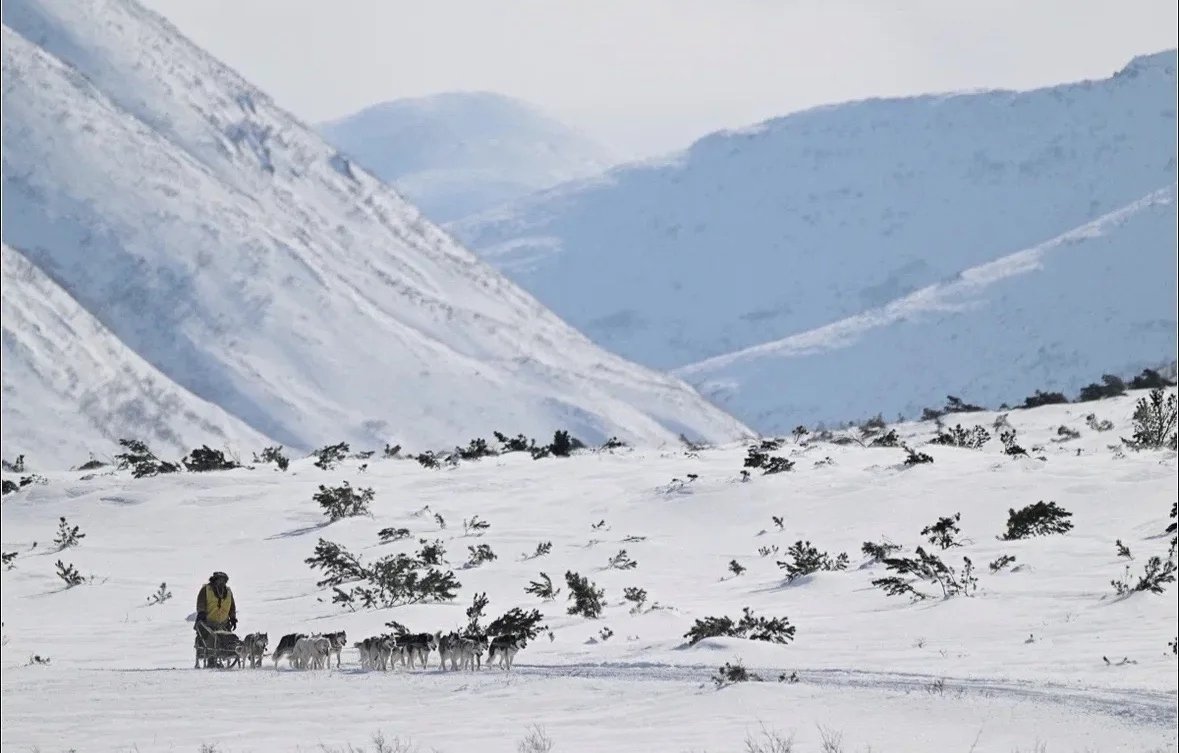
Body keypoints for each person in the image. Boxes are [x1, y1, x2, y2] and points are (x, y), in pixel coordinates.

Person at [194, 571, 237, 667]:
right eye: (220, 580)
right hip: (208, 622)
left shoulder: (228, 592)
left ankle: (229, 653)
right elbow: (201, 603)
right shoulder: (206, 590)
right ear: (215, 580)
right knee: (211, 640)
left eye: (224, 580)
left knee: (228, 639)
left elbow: (232, 606)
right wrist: (201, 613)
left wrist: (233, 618)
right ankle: (211, 660)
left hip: (224, 623)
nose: (222, 582)